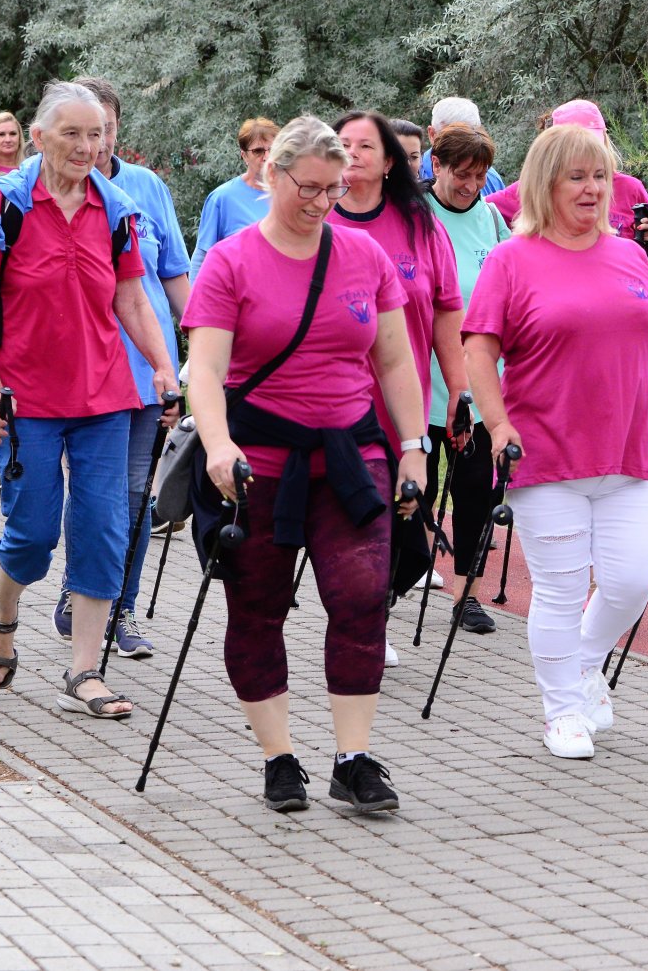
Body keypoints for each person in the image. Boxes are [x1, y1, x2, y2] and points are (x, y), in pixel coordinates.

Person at [183, 115, 428, 814]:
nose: (322, 201)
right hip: (257, 460)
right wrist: (218, 444)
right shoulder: (231, 261)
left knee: (360, 597)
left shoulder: (364, 258)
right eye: (309, 187)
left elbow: (393, 359)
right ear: (271, 176)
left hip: (351, 455)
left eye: (334, 187)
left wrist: (413, 447)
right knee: (255, 607)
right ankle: (277, 756)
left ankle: (352, 759)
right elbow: (205, 370)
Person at [0, 81, 178, 718]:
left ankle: (84, 669)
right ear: (38, 137)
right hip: (27, 398)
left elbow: (133, 298)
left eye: (96, 134)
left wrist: (165, 367)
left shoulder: (116, 208)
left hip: (105, 395)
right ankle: (3, 615)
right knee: (30, 532)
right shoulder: (4, 205)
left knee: (104, 527)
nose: (87, 147)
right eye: (73, 134)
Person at [463, 123, 648, 760]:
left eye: (600, 177)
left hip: (627, 451)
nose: (592, 190)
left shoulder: (631, 256)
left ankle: (582, 665)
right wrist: (497, 422)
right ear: (544, 184)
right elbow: (480, 348)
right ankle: (561, 711)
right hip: (546, 452)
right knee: (559, 589)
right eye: (577, 177)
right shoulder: (512, 259)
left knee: (633, 581)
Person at [47, 76, 192, 659]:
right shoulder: (52, 197)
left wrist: (205, 350)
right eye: (85, 131)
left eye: (105, 130)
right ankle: (80, 589)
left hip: (149, 373)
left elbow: (175, 276)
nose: (97, 143)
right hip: (90, 376)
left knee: (135, 496)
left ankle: (121, 608)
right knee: (94, 493)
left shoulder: (147, 188)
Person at [329, 110, 468, 668]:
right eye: (343, 144)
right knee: (351, 526)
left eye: (367, 145)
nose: (354, 153)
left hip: (403, 407)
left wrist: (460, 390)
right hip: (332, 407)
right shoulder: (315, 220)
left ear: (391, 162)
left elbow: (446, 312)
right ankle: (358, 623)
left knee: (407, 542)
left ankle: (372, 607)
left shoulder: (419, 225)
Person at [421, 121, 511, 634]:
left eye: (479, 176)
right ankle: (399, 573)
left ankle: (467, 594)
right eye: (461, 174)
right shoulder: (415, 215)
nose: (470, 185)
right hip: (423, 377)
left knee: (479, 490)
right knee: (419, 490)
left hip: (479, 381)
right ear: (437, 166)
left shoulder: (493, 220)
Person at [484, 100, 648, 283]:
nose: (592, 188)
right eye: (576, 177)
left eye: (593, 145)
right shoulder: (533, 189)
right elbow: (475, 216)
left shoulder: (630, 188)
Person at [190, 117, 278, 273]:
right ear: (244, 156)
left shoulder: (290, 194)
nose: (266, 157)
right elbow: (202, 259)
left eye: (272, 150)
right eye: (258, 151)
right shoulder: (222, 198)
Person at [422, 96, 505, 193]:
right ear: (432, 134)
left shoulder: (491, 179)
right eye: (453, 140)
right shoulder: (413, 176)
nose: (472, 188)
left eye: (471, 138)